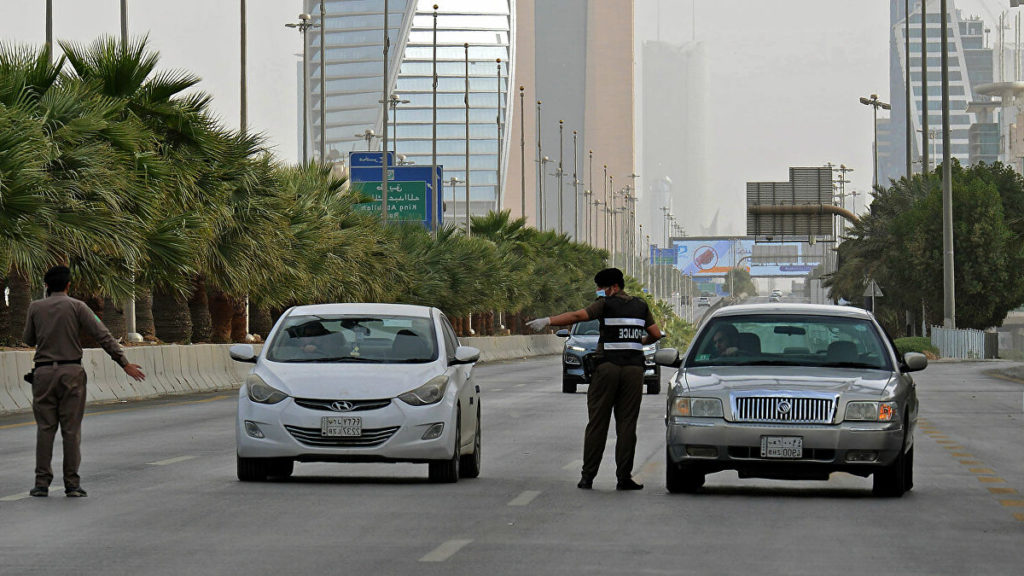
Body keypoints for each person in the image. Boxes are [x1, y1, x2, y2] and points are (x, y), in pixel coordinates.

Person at [527, 267, 663, 490]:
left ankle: (588, 476)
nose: (599, 291)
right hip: (633, 370)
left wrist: (548, 320)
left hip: (607, 368)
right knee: (627, 425)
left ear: (613, 287)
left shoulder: (605, 304)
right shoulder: (641, 305)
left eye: (601, 287)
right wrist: (637, 343)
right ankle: (624, 478)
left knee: (597, 424)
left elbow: (578, 316)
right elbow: (656, 334)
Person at [22, 266, 146, 498]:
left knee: (45, 429)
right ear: (69, 285)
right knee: (71, 430)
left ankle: (41, 483)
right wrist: (124, 362)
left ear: (46, 286)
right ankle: (72, 484)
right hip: (71, 372)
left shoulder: (35, 307)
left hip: (44, 373)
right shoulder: (78, 307)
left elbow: (28, 338)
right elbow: (103, 336)